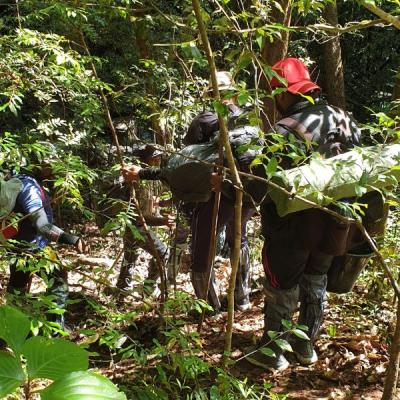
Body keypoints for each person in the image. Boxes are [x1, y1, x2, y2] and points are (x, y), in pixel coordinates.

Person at [245, 57, 362, 370]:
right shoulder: (345, 119)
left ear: (284, 94)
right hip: (337, 223)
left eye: (275, 94)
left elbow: (261, 181)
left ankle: (273, 353)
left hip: (292, 227)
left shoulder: (285, 129)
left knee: (283, 286)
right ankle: (305, 346)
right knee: (316, 280)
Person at [123, 71, 256, 313]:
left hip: (212, 196)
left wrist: (141, 173)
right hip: (245, 194)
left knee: (201, 249)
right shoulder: (249, 120)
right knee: (240, 239)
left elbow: (179, 166)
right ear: (235, 94)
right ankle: (242, 297)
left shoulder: (204, 121)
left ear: (210, 95)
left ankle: (209, 308)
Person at [0, 172, 87, 329]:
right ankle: (56, 329)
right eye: (49, 165)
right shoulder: (28, 188)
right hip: (36, 248)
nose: (53, 169)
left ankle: (10, 330)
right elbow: (43, 226)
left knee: (17, 288)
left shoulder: (13, 179)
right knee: (59, 278)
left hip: (14, 247)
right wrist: (72, 239)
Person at [116, 144, 174, 295]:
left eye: (159, 158)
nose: (158, 160)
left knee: (130, 255)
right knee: (163, 253)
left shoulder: (148, 179)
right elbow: (141, 216)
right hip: (136, 227)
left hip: (132, 226)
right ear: (146, 160)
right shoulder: (139, 182)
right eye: (154, 158)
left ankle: (122, 288)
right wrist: (163, 221)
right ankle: (148, 288)